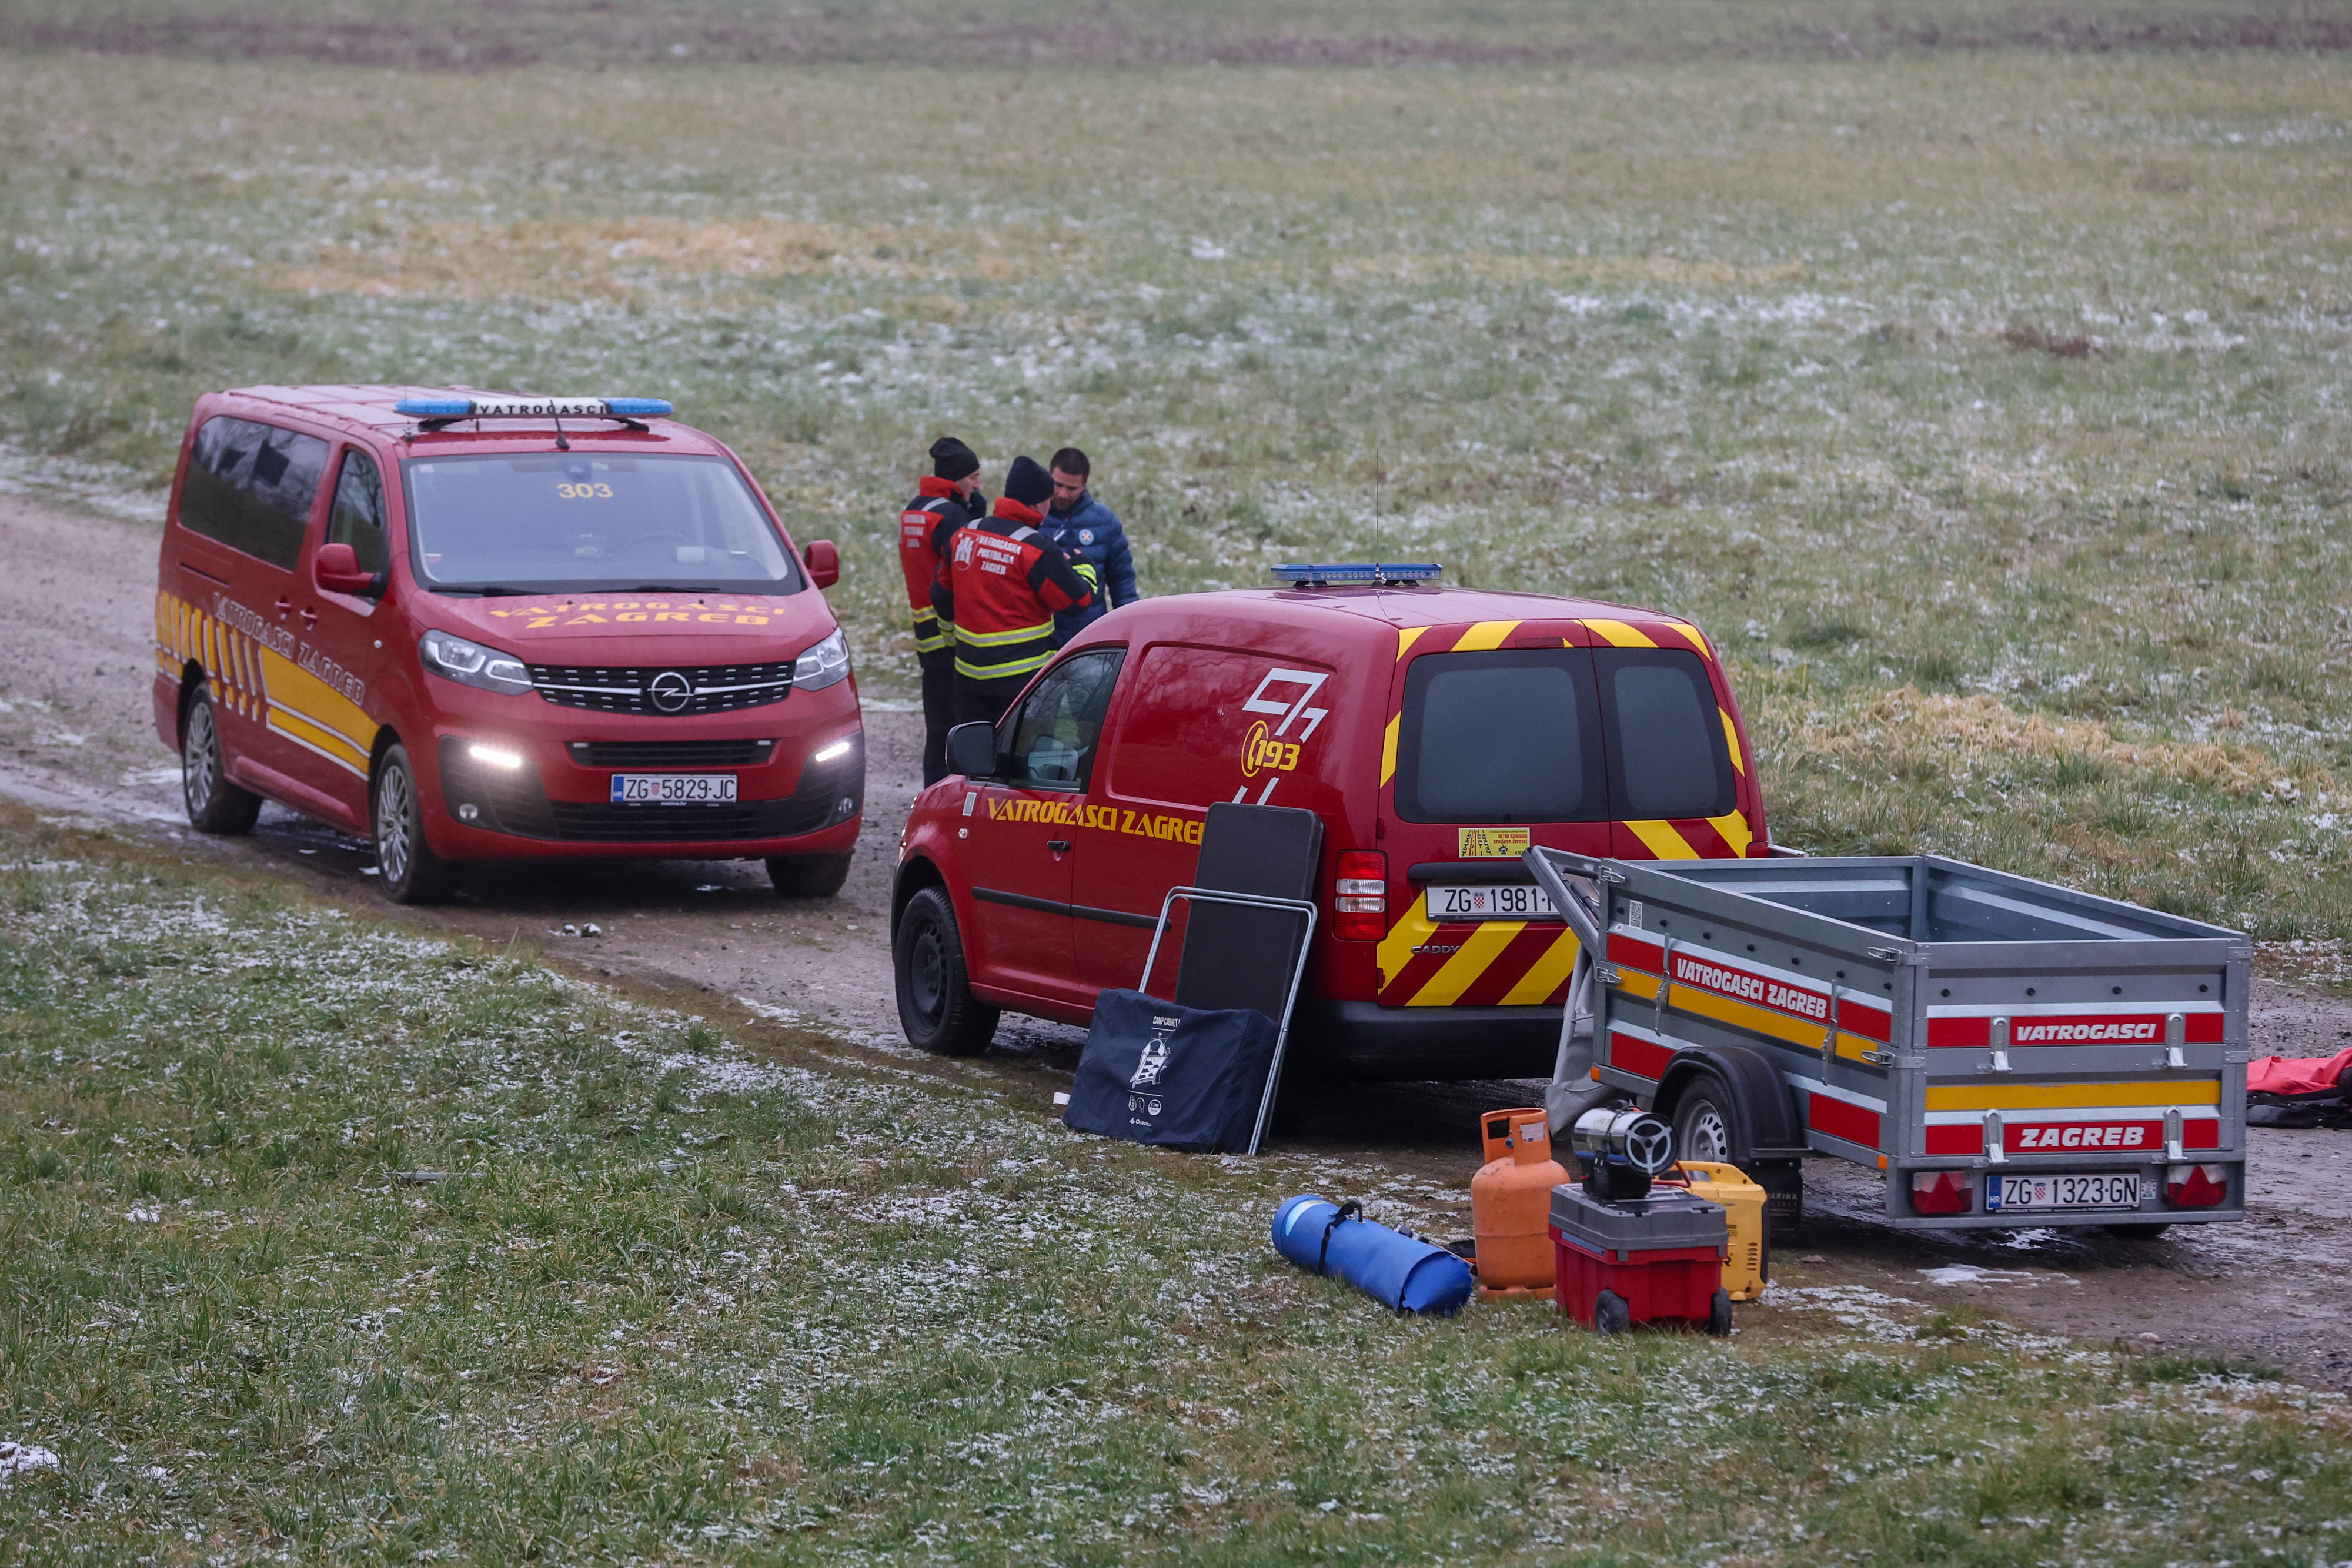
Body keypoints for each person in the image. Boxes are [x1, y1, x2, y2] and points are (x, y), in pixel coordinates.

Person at [948, 456, 1094, 729]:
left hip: (967, 677)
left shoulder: (965, 534)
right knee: (1017, 761)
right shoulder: (1035, 549)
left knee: (972, 757)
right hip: (1021, 682)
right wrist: (1083, 568)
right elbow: (1077, 601)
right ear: (1040, 503)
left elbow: (942, 594)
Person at [898, 436, 987, 786]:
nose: (978, 485)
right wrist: (971, 515)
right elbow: (963, 571)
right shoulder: (950, 517)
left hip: (926, 637)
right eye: (974, 478)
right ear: (955, 479)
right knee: (957, 731)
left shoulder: (915, 510)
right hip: (951, 638)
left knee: (935, 728)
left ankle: (929, 796)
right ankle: (951, 800)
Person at [1037, 446, 1138, 646]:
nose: (1063, 494)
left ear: (1084, 485)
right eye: (1058, 485)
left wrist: (1131, 632)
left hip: (1090, 641)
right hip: (1043, 642)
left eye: (1071, 489)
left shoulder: (1105, 522)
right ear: (1049, 476)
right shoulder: (1033, 519)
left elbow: (1123, 583)